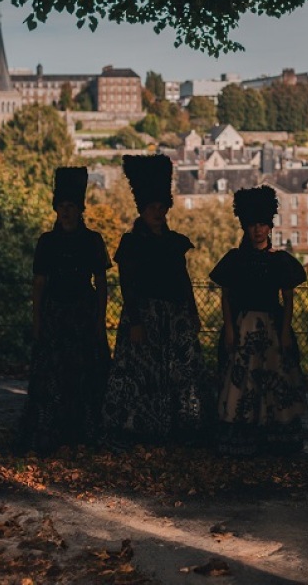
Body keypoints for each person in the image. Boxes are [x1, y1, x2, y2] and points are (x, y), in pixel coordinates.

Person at [101, 154, 211, 444]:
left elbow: (183, 280)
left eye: (162, 207)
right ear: (142, 209)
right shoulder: (131, 243)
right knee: (141, 374)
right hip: (144, 315)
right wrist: (136, 321)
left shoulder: (175, 242)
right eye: (152, 207)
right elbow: (127, 284)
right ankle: (141, 427)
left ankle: (179, 425)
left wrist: (193, 312)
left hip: (175, 316)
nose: (158, 212)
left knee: (180, 372)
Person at [13, 166, 111, 456]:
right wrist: (37, 321)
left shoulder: (92, 241)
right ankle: (52, 432)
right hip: (56, 313)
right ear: (56, 208)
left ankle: (83, 432)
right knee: (53, 376)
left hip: (82, 313)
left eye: (71, 206)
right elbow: (39, 283)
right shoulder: (47, 242)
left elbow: (102, 283)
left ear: (79, 209)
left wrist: (99, 320)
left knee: (84, 375)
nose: (66, 212)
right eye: (61, 206)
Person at [209, 185, 307, 456]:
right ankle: (244, 435)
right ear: (245, 226)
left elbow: (288, 299)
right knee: (241, 382)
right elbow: (226, 297)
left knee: (275, 376)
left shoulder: (281, 261)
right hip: (242, 326)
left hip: (272, 327)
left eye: (262, 224)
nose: (258, 230)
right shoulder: (235, 259)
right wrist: (230, 329)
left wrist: (285, 332)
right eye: (253, 224)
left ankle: (274, 437)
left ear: (270, 226)